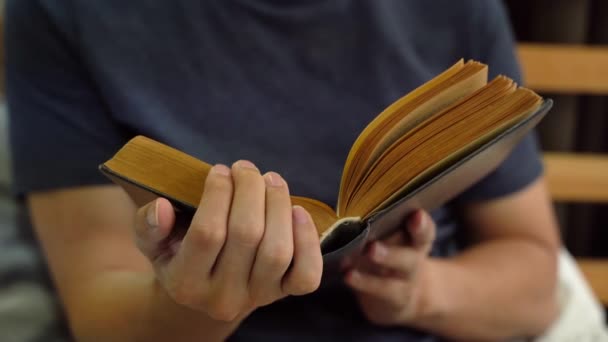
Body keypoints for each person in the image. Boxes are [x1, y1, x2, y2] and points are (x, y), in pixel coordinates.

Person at [6, 0, 561, 341]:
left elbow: (535, 285)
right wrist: (201, 306)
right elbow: (100, 312)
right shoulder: (65, 13)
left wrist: (417, 293)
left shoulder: (453, 7)